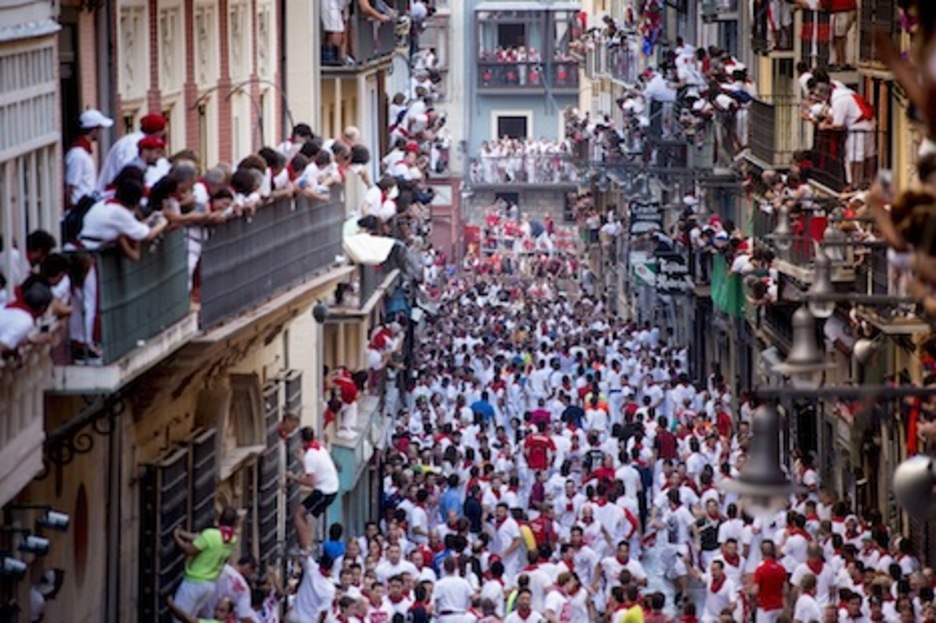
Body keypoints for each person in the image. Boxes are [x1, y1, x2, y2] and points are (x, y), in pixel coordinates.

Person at [171, 507, 240, 622]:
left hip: (194, 582)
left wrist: (177, 537)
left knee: (179, 618)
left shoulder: (210, 535)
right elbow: (201, 538)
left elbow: (189, 550)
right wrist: (183, 533)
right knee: (190, 618)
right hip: (209, 586)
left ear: (219, 519)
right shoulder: (233, 539)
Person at [287, 427, 339, 554]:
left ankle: (306, 548)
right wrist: (302, 460)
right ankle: (306, 544)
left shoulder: (310, 456)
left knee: (299, 515)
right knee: (304, 514)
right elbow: (314, 467)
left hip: (324, 491)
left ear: (302, 441)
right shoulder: (319, 448)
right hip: (330, 488)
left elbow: (311, 481)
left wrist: (293, 478)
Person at [98, 113, 167, 191]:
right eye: (157, 152)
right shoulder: (133, 144)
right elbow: (130, 175)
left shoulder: (133, 140)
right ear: (157, 132)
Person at [65, 109, 113, 208]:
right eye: (100, 129)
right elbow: (71, 186)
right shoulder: (78, 154)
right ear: (94, 130)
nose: (101, 133)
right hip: (79, 208)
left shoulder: (83, 153)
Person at [288, 553, 336, 623]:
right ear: (331, 569)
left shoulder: (311, 568)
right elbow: (323, 611)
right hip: (309, 619)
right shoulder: (330, 588)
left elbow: (304, 552)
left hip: (295, 614)